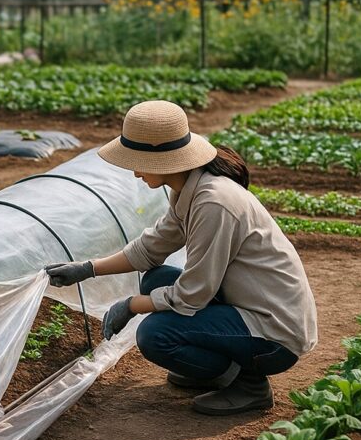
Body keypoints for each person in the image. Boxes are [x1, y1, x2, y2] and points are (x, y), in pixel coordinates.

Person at [45, 100, 318, 416]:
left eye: (138, 161)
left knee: (154, 334)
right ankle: (215, 368)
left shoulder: (214, 203)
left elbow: (192, 294)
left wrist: (130, 305)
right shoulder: (191, 187)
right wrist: (88, 269)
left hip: (274, 332)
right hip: (248, 306)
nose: (134, 171)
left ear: (163, 160)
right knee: (156, 279)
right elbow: (151, 248)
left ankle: (247, 382)